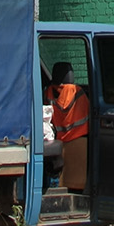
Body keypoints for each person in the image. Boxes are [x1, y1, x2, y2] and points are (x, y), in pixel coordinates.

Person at [48, 61, 89, 193]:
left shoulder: (47, 93)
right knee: (76, 186)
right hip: (78, 142)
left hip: (56, 142)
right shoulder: (78, 93)